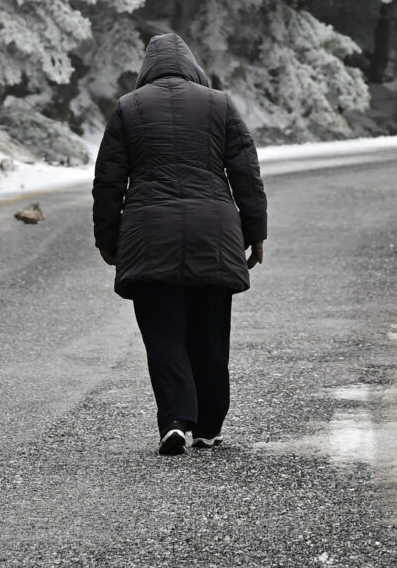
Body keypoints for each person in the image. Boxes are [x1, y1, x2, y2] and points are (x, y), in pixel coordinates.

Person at [91, 32, 267, 456]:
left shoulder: (128, 108)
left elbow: (109, 182)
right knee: (210, 332)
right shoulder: (219, 104)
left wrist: (107, 239)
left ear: (146, 70)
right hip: (214, 231)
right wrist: (256, 233)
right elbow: (246, 173)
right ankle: (208, 426)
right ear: (192, 67)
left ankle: (174, 420)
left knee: (164, 332)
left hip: (149, 235)